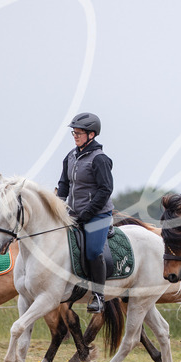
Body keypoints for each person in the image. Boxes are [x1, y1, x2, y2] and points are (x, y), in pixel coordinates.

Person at [57, 112, 113, 313]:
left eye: (79, 133)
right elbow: (63, 185)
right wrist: (58, 206)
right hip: (73, 214)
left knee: (93, 251)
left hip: (98, 215)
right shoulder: (70, 157)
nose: (75, 136)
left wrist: (88, 213)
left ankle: (98, 296)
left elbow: (105, 190)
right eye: (74, 133)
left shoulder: (100, 159)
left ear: (92, 134)